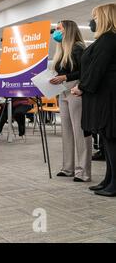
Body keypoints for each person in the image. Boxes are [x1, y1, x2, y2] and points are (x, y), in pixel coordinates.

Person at [72, 3, 116, 197]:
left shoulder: (109, 39)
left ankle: (114, 184)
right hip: (102, 96)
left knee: (112, 140)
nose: (93, 21)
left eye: (96, 17)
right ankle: (109, 179)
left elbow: (97, 69)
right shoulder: (106, 40)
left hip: (107, 98)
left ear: (105, 18)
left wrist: (81, 87)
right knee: (107, 141)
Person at [49, 20, 92, 182]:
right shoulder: (62, 50)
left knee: (80, 131)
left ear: (68, 30)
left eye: (59, 29)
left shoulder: (78, 48)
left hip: (76, 90)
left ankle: (83, 171)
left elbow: (85, 72)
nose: (56, 32)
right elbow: (62, 72)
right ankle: (68, 168)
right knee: (66, 131)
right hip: (63, 91)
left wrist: (65, 77)